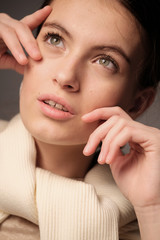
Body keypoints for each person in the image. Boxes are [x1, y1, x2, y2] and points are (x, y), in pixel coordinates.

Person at [0, 0, 160, 239]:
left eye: (105, 61)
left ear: (137, 103)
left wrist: (153, 208)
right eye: (55, 39)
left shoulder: (146, 219)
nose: (66, 76)